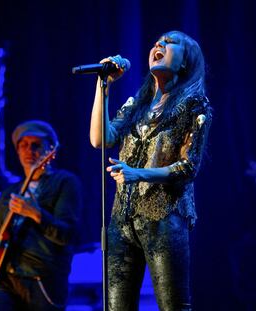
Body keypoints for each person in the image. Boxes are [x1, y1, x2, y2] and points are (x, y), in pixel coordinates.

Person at [89, 30, 212, 310]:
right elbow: (100, 139)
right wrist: (103, 85)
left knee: (173, 305)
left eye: (170, 43)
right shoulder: (138, 104)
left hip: (164, 216)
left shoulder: (194, 105)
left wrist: (137, 173)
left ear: (184, 62)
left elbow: (188, 167)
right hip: (122, 219)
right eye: (157, 42)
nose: (159, 45)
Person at [0, 120, 82, 310]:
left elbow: (67, 235)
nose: (29, 150)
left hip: (42, 280)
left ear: (50, 150)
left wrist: (36, 213)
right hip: (6, 279)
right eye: (23, 145)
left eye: (36, 145)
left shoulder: (64, 182)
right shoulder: (9, 193)